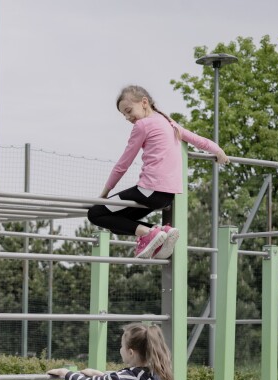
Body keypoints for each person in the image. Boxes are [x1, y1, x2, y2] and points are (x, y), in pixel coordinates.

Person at [88, 85, 229, 259]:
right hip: (165, 197)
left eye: (128, 110)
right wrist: (218, 150)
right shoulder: (168, 122)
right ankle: (161, 232)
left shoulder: (142, 125)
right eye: (123, 114)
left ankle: (150, 233)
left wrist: (104, 194)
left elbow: (123, 164)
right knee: (117, 223)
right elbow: (197, 139)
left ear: (144, 102)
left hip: (147, 191)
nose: (127, 117)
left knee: (96, 213)